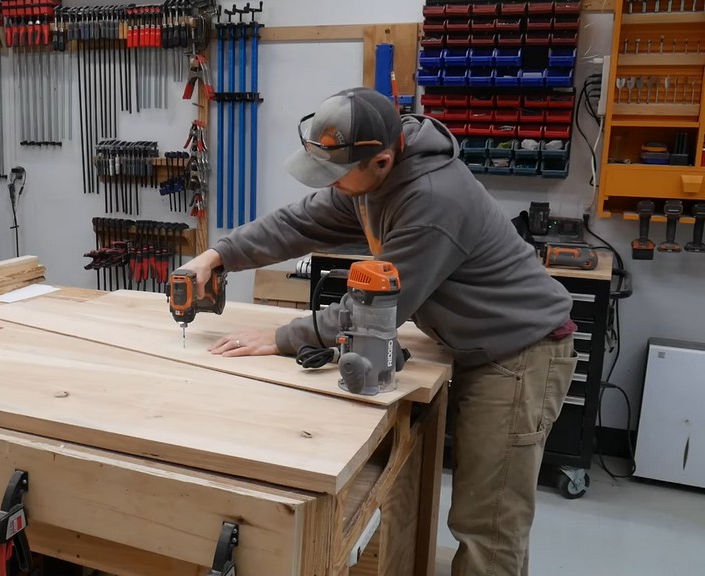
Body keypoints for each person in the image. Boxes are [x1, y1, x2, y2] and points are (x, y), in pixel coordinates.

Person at [177, 87, 578, 576]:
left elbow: (377, 310)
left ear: (383, 159)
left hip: (520, 354)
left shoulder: (432, 200)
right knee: (477, 515)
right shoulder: (368, 182)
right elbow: (297, 222)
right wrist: (217, 255)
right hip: (473, 342)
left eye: (336, 175)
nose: (331, 186)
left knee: (488, 524)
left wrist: (284, 338)